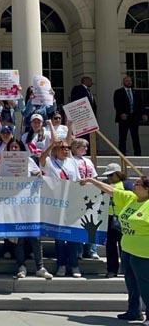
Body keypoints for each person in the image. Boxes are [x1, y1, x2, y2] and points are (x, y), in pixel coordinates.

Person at [79, 176, 149, 324]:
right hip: (128, 249)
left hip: (144, 253)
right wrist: (92, 180)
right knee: (131, 282)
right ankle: (134, 311)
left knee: (145, 284)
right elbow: (111, 190)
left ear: (147, 189)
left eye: (137, 184)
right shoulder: (131, 198)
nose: (133, 186)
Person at [6, 141, 52, 279]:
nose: (14, 149)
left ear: (21, 148)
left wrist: (37, 175)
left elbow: (38, 173)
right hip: (14, 204)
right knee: (19, 238)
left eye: (16, 147)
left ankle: (40, 267)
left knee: (35, 237)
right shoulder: (5, 161)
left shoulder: (29, 160)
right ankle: (21, 266)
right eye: (12, 147)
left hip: (30, 203)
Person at [39, 133, 81, 278]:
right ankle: (61, 264)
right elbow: (41, 160)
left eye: (68, 148)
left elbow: (77, 179)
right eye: (62, 148)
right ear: (56, 150)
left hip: (71, 202)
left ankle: (74, 265)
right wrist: (51, 145)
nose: (66, 150)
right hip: (56, 204)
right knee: (59, 237)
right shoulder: (50, 161)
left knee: (72, 236)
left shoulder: (72, 162)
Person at [101, 163, 133, 278]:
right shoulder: (105, 184)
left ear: (118, 174)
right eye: (108, 175)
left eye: (111, 175)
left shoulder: (128, 185)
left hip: (124, 218)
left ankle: (126, 269)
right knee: (110, 245)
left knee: (124, 246)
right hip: (109, 218)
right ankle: (112, 269)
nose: (109, 178)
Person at [113, 76, 146, 156]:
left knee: (135, 137)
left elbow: (141, 104)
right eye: (127, 81)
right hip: (124, 118)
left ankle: (138, 154)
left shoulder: (136, 92)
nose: (129, 82)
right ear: (123, 82)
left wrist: (144, 114)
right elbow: (117, 104)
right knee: (123, 137)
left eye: (130, 81)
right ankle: (122, 154)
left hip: (134, 117)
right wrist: (121, 113)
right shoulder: (118, 92)